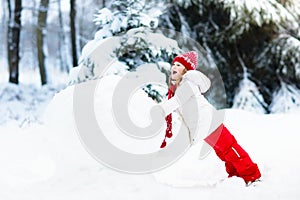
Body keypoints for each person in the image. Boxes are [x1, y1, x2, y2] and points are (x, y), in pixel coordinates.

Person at [156, 51, 261, 186]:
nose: (174, 67)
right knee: (225, 151)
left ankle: (251, 176)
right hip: (205, 125)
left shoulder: (188, 83)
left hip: (210, 122)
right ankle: (236, 177)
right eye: (174, 64)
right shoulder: (180, 86)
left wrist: (159, 111)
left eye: (179, 65)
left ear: (186, 69)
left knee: (229, 148)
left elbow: (177, 101)